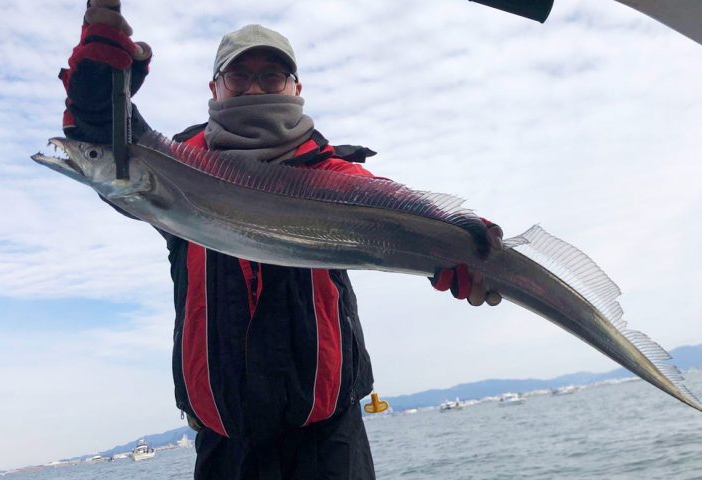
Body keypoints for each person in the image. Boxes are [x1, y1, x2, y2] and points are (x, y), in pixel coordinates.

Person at [60, 1, 502, 478]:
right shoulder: (174, 167)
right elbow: (105, 143)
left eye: (272, 76)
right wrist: (98, 76)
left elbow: (396, 214)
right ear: (215, 88)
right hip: (223, 446)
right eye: (239, 76)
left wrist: (462, 243)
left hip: (328, 444)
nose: (255, 87)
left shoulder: (332, 175)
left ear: (296, 88)